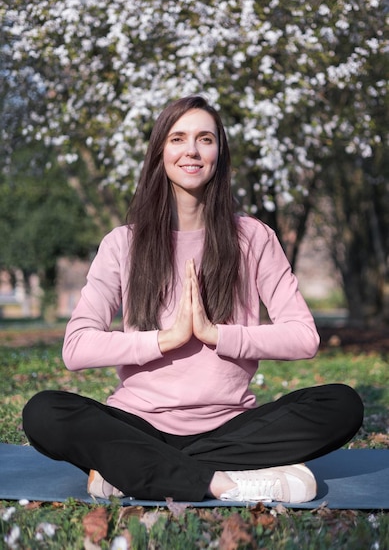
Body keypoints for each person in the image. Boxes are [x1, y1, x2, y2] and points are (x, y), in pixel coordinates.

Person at [22, 95, 363, 504]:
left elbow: (304, 337)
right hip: (137, 423)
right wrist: (165, 339)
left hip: (230, 427)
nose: (192, 151)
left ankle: (133, 470)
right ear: (160, 152)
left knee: (342, 403)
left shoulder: (253, 238)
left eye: (205, 139)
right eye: (178, 138)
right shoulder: (123, 243)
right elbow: (76, 348)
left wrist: (216, 334)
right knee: (44, 412)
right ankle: (219, 482)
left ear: (219, 152)